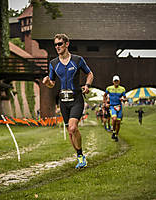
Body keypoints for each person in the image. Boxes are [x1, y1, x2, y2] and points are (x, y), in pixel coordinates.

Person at [42, 33, 94, 168]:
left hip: (76, 99)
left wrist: (87, 86)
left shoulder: (77, 60)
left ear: (67, 44)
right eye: (55, 45)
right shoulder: (53, 63)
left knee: (73, 127)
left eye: (60, 44)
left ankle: (81, 157)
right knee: (70, 132)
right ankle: (80, 156)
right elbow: (52, 84)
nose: (57, 47)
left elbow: (89, 73)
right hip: (63, 102)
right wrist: (47, 82)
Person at [103, 75, 127, 142]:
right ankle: (113, 131)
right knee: (114, 118)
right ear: (113, 81)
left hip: (119, 107)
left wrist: (123, 99)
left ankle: (115, 134)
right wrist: (105, 103)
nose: (116, 82)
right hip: (112, 106)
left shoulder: (122, 89)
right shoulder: (109, 88)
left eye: (117, 81)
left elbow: (125, 98)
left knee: (118, 122)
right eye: (115, 81)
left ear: (119, 81)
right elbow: (104, 96)